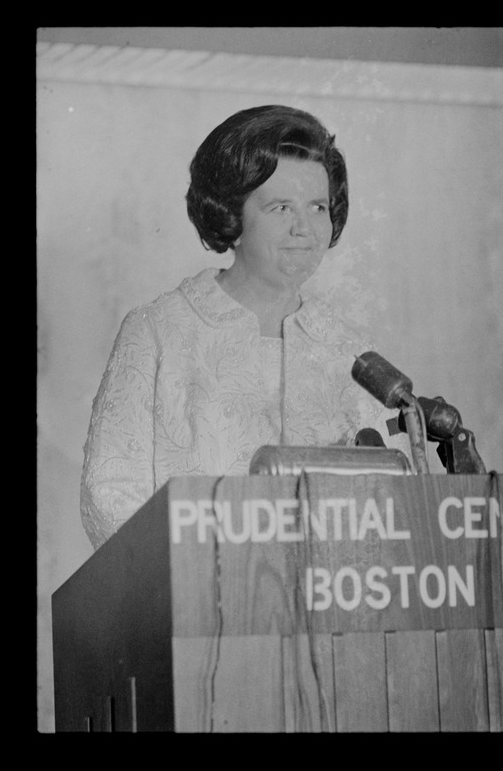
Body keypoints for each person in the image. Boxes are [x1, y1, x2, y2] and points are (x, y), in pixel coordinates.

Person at [80, 104, 412, 550]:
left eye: (318, 206)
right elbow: (111, 498)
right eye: (280, 207)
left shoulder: (350, 350)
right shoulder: (157, 331)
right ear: (231, 218)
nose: (305, 229)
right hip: (198, 604)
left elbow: (394, 500)